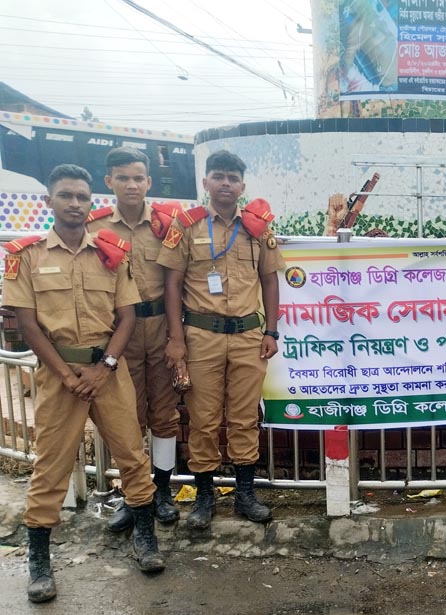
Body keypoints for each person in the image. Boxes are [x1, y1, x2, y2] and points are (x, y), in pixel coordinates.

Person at [3, 164, 165, 603]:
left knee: (133, 455)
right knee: (51, 466)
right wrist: (65, 374)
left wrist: (105, 367)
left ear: (91, 203)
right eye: (66, 196)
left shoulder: (110, 253)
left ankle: (146, 539)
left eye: (81, 197)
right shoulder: (28, 254)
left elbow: (127, 316)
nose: (75, 204)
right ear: (49, 202)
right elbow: (27, 323)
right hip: (60, 378)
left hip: (107, 373)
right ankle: (39, 560)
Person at [157, 150, 285, 529]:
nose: (225, 183)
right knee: (203, 420)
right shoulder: (188, 226)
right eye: (218, 176)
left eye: (232, 177)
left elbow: (270, 279)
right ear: (206, 183)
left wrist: (272, 330)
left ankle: (245, 495)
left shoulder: (257, 228)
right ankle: (204, 498)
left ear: (242, 186)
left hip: (248, 336)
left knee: (246, 418)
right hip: (201, 337)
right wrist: (176, 339)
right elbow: (172, 283)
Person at [87, 147, 182, 531]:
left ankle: (161, 492)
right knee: (125, 419)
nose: (131, 184)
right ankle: (133, 495)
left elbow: (179, 279)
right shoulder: (94, 229)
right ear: (108, 181)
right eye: (122, 177)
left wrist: (178, 336)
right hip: (118, 333)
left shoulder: (166, 224)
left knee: (164, 415)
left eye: (138, 177)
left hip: (160, 327)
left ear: (149, 181)